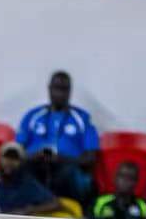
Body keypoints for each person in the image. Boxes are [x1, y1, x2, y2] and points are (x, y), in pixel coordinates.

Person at [16, 71, 99, 206]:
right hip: (36, 167)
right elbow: (17, 153)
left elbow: (90, 159)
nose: (60, 93)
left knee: (74, 175)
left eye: (64, 89)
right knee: (20, 171)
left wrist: (62, 159)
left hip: (68, 171)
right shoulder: (32, 116)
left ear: (70, 91)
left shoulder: (83, 118)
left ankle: (53, 205)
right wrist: (35, 156)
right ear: (49, 89)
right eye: (56, 88)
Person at [0, 142, 57, 217]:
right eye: (7, 157)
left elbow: (55, 203)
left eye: (15, 158)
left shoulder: (26, 183)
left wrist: (27, 210)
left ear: (21, 162)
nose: (10, 162)